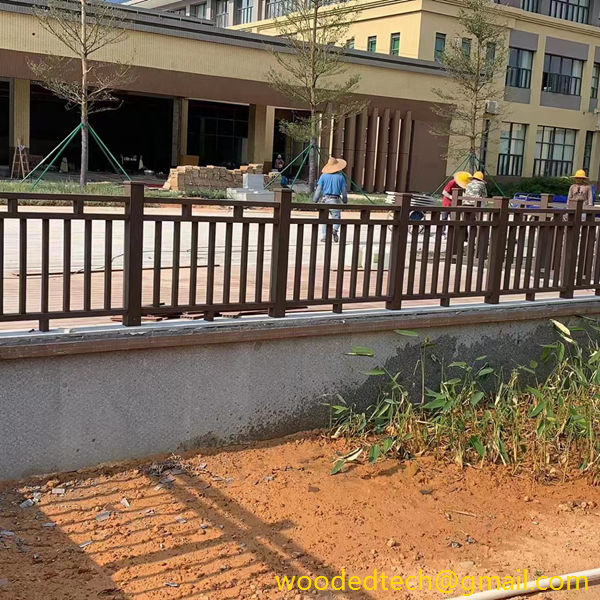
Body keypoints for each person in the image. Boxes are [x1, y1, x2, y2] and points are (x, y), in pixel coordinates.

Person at [313, 157, 348, 243]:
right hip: (335, 200)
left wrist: (315, 200)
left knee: (325, 219)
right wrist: (345, 200)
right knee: (337, 218)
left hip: (325, 200)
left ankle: (325, 235)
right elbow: (344, 191)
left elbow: (318, 190)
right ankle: (334, 230)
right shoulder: (341, 177)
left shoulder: (323, 176)